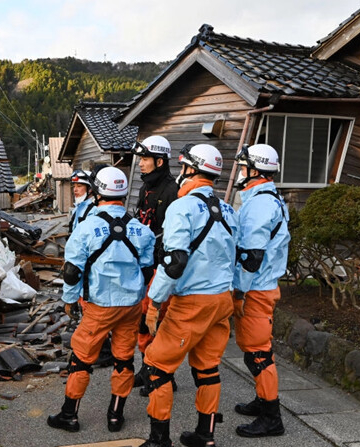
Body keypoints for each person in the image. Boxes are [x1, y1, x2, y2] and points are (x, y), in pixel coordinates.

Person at [138, 144, 237, 447]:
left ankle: (159, 440)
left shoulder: (181, 207)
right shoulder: (230, 210)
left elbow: (175, 261)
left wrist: (154, 302)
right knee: (207, 367)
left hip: (192, 301)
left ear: (190, 169)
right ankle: (205, 436)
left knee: (156, 367)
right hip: (222, 300)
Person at [47, 167, 155, 434]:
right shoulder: (141, 230)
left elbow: (72, 271)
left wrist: (69, 300)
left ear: (96, 192)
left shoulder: (86, 228)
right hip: (130, 306)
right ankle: (115, 416)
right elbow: (147, 269)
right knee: (124, 360)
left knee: (82, 359)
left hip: (98, 305)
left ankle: (69, 415)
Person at [232, 143, 290, 438]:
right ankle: (261, 400)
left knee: (258, 353)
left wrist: (238, 292)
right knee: (253, 350)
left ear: (254, 169)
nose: (241, 172)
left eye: (243, 166)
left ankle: (272, 417)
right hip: (264, 284)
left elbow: (251, 256)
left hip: (255, 288)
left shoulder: (259, 204)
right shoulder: (271, 198)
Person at [130, 135, 179, 390]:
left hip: (162, 267)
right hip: (144, 266)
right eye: (141, 159)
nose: (140, 164)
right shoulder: (144, 188)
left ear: (160, 161)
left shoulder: (173, 190)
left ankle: (163, 374)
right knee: (142, 322)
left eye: (145, 159)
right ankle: (146, 367)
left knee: (158, 322)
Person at [68, 169, 96, 234]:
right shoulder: (78, 207)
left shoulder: (94, 210)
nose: (75, 190)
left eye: (79, 186)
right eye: (74, 186)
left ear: (90, 189)